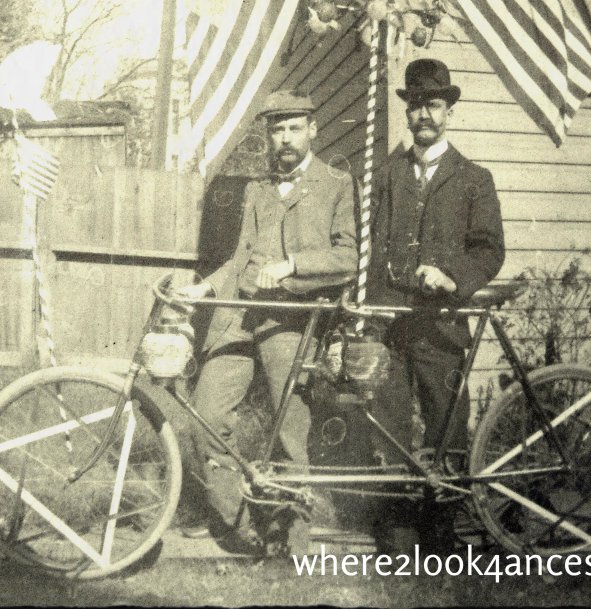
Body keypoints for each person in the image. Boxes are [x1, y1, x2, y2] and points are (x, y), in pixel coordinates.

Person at [176, 89, 358, 552]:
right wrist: (203, 288)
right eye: (277, 129)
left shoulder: (337, 183)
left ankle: (294, 543)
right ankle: (242, 530)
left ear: (313, 130)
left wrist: (292, 264)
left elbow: (347, 257)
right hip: (241, 315)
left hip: (293, 321)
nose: (285, 138)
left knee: (288, 433)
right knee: (207, 415)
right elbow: (240, 260)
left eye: (294, 127)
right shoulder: (256, 190)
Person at [367, 58, 505, 554]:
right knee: (391, 425)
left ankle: (443, 529)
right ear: (406, 112)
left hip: (442, 325)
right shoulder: (385, 174)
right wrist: (369, 311)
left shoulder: (473, 179)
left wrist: (452, 277)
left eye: (434, 105)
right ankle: (401, 532)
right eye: (416, 105)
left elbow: (488, 250)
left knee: (447, 423)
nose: (424, 114)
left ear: (448, 111)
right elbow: (370, 245)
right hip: (392, 323)